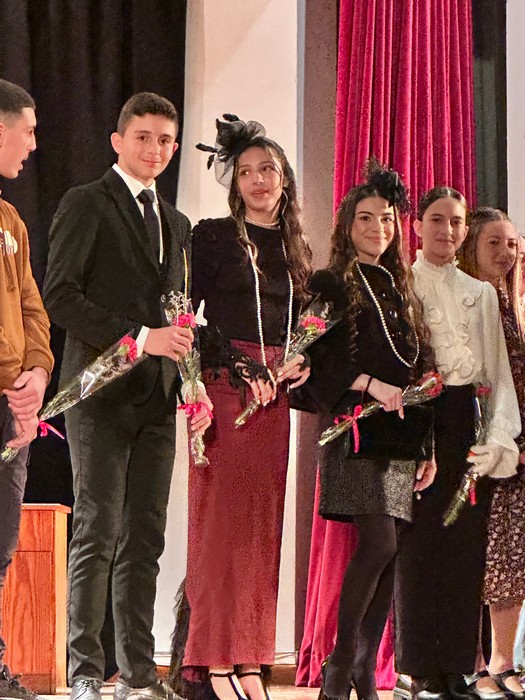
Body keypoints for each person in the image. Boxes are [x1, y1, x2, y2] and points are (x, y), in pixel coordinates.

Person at [43, 92, 211, 700]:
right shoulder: (87, 202)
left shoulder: (178, 224)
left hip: (159, 400)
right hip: (100, 396)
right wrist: (140, 338)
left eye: (165, 140)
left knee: (146, 537)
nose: (155, 149)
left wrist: (190, 376)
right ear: (118, 140)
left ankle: (138, 671)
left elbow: (177, 313)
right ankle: (85, 671)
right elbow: (60, 295)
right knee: (97, 530)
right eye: (143, 137)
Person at [169, 115, 312, 700]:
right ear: (235, 182)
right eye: (247, 171)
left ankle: (251, 657)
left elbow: (306, 329)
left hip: (274, 396)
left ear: (284, 179)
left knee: (260, 529)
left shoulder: (297, 249)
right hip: (224, 389)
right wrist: (238, 365)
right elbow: (184, 313)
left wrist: (302, 362)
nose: (258, 179)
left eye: (268, 169)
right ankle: (211, 659)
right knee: (219, 528)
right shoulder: (213, 236)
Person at [297, 162, 437, 700]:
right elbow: (312, 360)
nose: (378, 227)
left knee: (391, 549)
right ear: (346, 225)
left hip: (400, 438)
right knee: (378, 542)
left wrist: (427, 448)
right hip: (353, 432)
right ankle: (339, 663)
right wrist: (371, 385)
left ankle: (361, 666)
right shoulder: (331, 283)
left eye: (386, 218)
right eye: (365, 218)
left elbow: (418, 371)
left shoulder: (402, 288)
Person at [394, 188, 521, 700]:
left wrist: (497, 436)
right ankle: (419, 668)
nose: (446, 230)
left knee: (465, 549)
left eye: (455, 222)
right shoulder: (402, 283)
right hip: (418, 419)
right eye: (437, 219)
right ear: (417, 226)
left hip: (468, 418)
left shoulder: (482, 294)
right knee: (419, 546)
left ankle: (456, 667)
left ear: (464, 230)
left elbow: (497, 372)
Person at [0, 78, 54, 699]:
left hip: (13, 407)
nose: (34, 145)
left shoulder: (11, 219)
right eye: (29, 130)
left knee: (1, 540)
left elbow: (34, 310)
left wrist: (36, 376)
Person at [456, 208, 525, 700]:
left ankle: (502, 660)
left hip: (515, 445)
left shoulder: (509, 302)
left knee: (510, 556)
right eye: (494, 243)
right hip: (480, 445)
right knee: (481, 557)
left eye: (512, 243)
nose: (506, 252)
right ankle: (475, 663)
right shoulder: (470, 298)